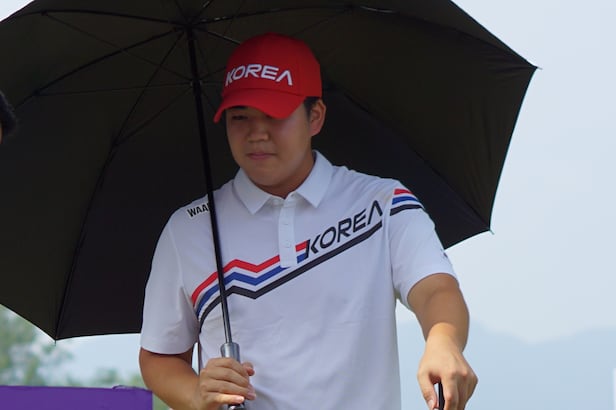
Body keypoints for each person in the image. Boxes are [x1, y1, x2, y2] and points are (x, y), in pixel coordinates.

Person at [139, 32, 477, 410]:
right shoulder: (188, 228)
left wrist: (443, 342)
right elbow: (159, 356)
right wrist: (195, 393)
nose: (257, 133)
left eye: (275, 114)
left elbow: (435, 289)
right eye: (240, 117)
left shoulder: (383, 203)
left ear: (315, 116)